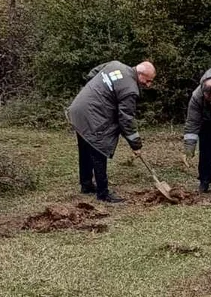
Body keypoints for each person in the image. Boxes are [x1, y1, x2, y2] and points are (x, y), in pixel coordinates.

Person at [66, 59, 156, 203]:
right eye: (148, 80)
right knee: (99, 149)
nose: (149, 84)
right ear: (140, 74)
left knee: (85, 148)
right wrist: (136, 145)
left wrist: (98, 91)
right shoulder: (130, 89)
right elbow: (126, 119)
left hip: (78, 109)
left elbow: (92, 74)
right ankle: (103, 193)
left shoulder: (115, 65)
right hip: (92, 114)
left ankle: (86, 184)